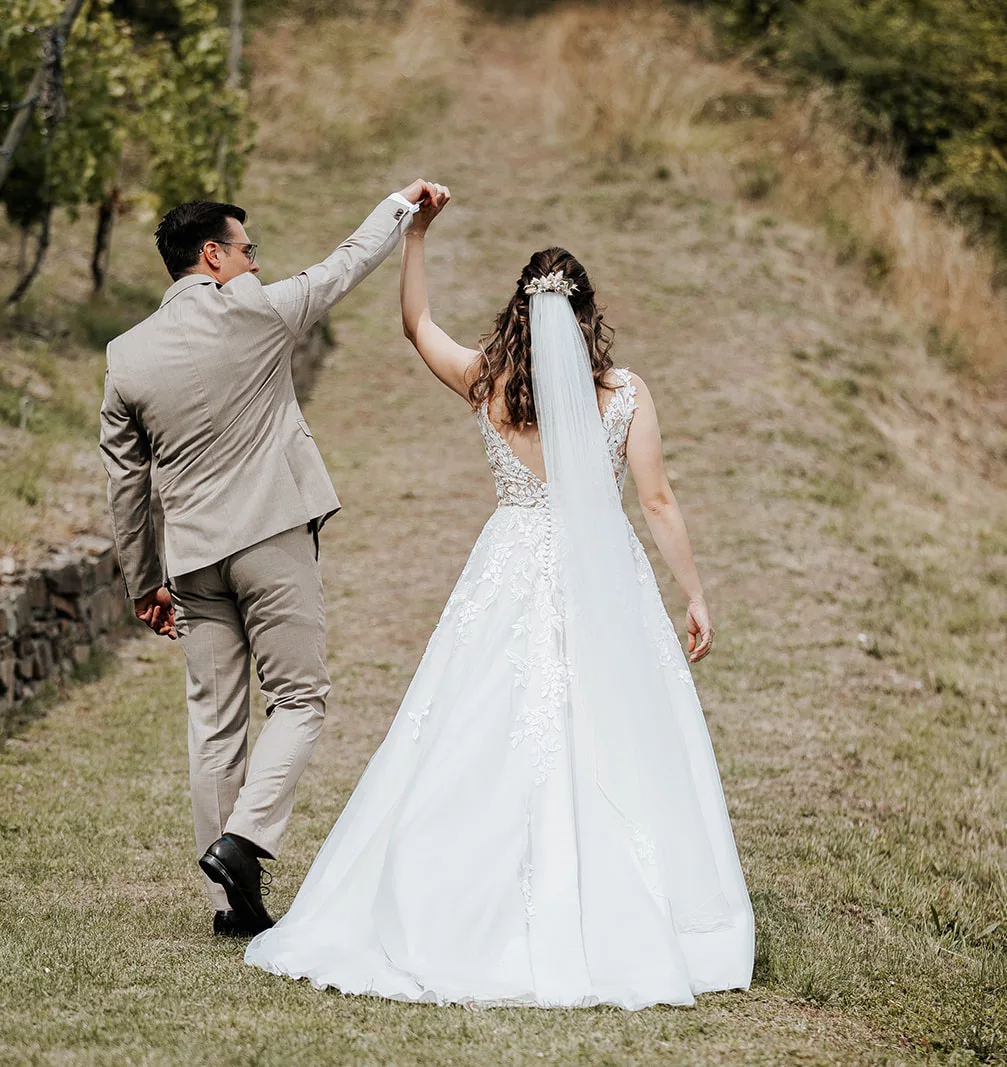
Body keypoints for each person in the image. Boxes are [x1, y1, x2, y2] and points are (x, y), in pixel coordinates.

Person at [244, 186, 755, 1008]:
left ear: (520, 310)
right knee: (614, 724)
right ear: (587, 315)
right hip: (604, 572)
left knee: (479, 721)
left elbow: (416, 326)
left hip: (510, 561)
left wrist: (417, 240)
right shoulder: (625, 395)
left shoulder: (488, 380)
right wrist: (693, 593)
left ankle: (460, 905)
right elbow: (656, 501)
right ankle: (632, 908)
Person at [99, 179, 441, 938]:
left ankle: (231, 906)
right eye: (249, 252)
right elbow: (344, 265)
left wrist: (143, 579)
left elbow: (124, 480)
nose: (257, 264)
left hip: (191, 563)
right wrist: (398, 206)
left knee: (215, 726)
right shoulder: (255, 309)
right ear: (213, 256)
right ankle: (244, 842)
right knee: (299, 698)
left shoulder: (126, 356)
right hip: (272, 540)